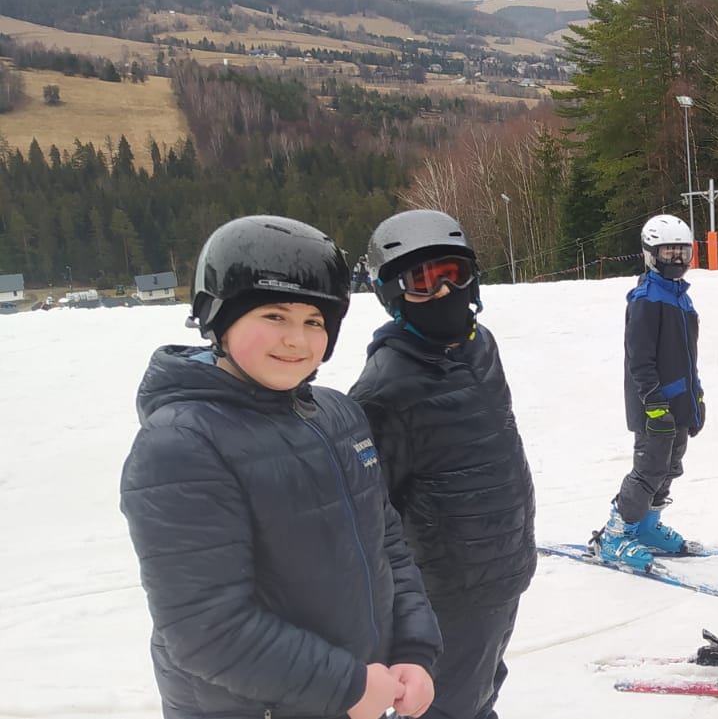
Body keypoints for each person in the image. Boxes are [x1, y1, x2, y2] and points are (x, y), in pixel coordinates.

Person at [121, 216, 441, 719]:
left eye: (314, 321)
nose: (297, 340)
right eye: (274, 315)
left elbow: (388, 548)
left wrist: (413, 649)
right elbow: (206, 628)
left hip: (353, 695)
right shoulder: (181, 445)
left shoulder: (339, 415)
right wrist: (346, 686)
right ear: (219, 319)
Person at [348, 210, 536, 719]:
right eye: (422, 282)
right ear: (391, 294)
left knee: (484, 679)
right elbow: (372, 513)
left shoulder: (480, 345)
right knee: (448, 700)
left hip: (506, 562)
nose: (443, 292)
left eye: (453, 273)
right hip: (452, 587)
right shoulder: (384, 388)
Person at [593, 215, 705, 570]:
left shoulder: (681, 298)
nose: (677, 259)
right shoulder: (646, 299)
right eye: (668, 252)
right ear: (650, 255)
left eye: (682, 252)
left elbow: (687, 357)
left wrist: (697, 396)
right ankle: (615, 534)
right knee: (649, 470)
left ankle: (646, 526)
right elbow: (639, 361)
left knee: (670, 467)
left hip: (679, 402)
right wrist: (654, 403)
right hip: (653, 404)